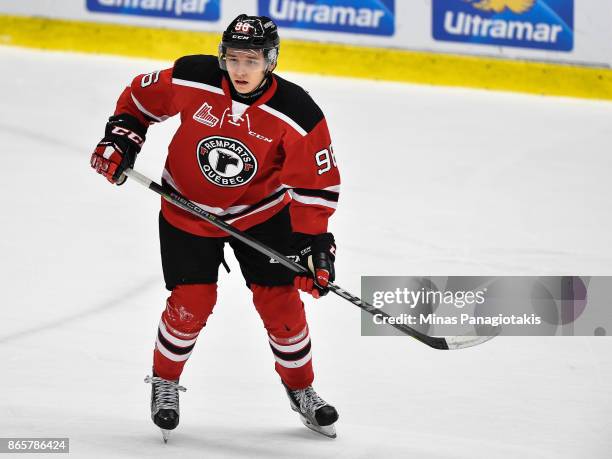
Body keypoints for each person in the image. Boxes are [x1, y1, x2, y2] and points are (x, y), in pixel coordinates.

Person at [90, 14, 341, 439]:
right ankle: (165, 382)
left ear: (271, 61)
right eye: (233, 58)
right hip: (186, 209)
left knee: (281, 304)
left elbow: (315, 185)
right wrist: (121, 137)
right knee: (192, 302)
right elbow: (139, 99)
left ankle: (302, 390)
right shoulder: (195, 77)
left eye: (252, 60)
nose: (240, 69)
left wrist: (313, 243)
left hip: (261, 215)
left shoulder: (298, 111)